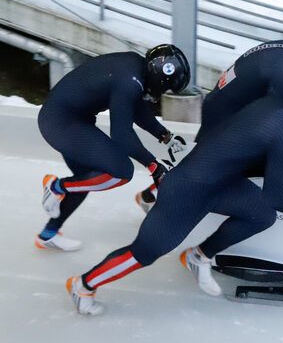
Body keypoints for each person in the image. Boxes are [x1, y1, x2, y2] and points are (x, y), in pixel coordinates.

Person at [65, 78, 283, 315]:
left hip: (219, 180)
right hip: (188, 190)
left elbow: (267, 160)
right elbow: (278, 196)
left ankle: (198, 256)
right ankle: (83, 285)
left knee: (261, 214)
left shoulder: (276, 105)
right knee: (144, 253)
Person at [135, 32, 283, 210]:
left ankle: (152, 193)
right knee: (205, 160)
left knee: (201, 158)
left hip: (222, 103)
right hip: (225, 111)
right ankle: (158, 197)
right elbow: (280, 116)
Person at [36, 44, 191, 251]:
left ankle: (48, 234)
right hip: (62, 123)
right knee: (120, 171)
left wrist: (165, 136)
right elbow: (121, 136)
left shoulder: (134, 69)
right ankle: (55, 187)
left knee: (87, 178)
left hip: (67, 119)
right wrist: (154, 166)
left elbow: (136, 109)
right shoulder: (129, 80)